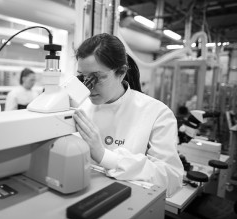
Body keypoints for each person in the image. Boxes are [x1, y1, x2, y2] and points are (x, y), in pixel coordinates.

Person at [73, 33, 184, 197]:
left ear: (122, 72)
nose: (88, 87)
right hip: (83, 194)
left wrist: (105, 157)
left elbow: (171, 178)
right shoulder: (81, 107)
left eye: (97, 77)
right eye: (83, 77)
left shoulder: (156, 113)